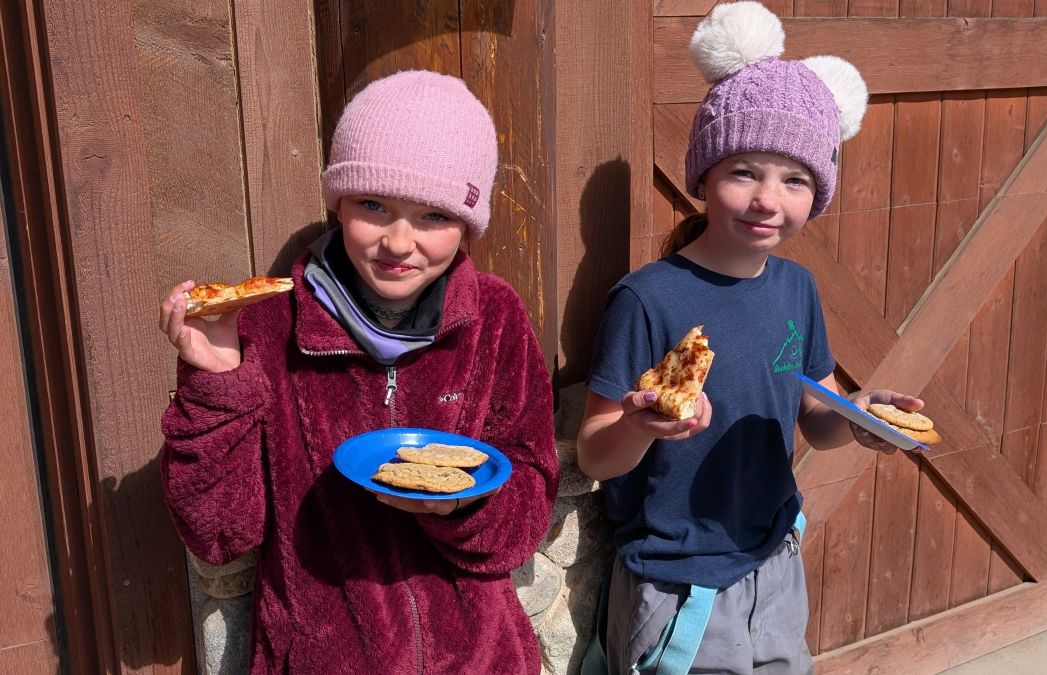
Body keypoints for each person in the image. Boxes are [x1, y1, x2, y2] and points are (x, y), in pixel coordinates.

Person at [158, 70, 558, 674]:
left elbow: (525, 514)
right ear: (337, 200)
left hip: (482, 659)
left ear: (468, 222)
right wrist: (215, 384)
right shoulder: (267, 325)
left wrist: (462, 508)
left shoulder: (494, 318)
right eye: (373, 204)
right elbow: (220, 533)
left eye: (433, 216)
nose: (399, 242)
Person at [576, 3, 924, 674]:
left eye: (795, 180)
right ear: (703, 174)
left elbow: (815, 416)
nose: (769, 199)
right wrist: (647, 426)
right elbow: (596, 455)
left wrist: (860, 417)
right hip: (680, 585)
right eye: (745, 172)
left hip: (775, 563)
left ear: (817, 194)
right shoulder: (649, 297)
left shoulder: (797, 289)